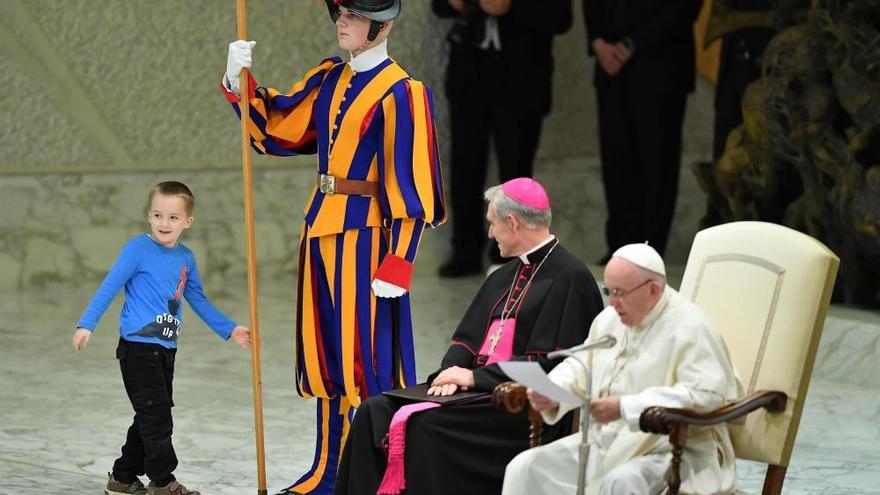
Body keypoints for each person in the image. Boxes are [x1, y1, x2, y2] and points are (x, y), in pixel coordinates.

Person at [221, 1, 446, 493]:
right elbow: (278, 131)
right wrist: (239, 82)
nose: (341, 20)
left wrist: (400, 262)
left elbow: (414, 186)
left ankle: (372, 474)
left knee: (367, 360)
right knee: (326, 357)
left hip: (368, 239)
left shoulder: (404, 92)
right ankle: (327, 471)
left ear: (383, 25)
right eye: (340, 11)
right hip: (320, 229)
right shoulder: (330, 78)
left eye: (355, 14)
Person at [334, 178, 605, 495]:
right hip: (475, 393)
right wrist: (450, 373)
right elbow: (465, 340)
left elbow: (550, 369)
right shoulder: (504, 274)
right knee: (373, 410)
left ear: (512, 222)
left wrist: (474, 378)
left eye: (492, 224)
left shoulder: (572, 279)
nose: (489, 234)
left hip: (518, 407)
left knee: (423, 426)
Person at [502, 243, 740, 495]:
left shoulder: (691, 327)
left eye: (620, 292)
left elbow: (707, 396)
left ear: (653, 290)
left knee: (622, 481)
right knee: (525, 467)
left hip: (670, 449)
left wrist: (625, 407)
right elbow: (581, 365)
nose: (613, 303)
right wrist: (552, 390)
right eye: (609, 291)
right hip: (607, 442)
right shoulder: (609, 320)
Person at [73, 181, 251, 495]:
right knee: (157, 418)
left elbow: (198, 299)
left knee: (150, 413)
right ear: (148, 216)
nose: (163, 223)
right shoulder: (137, 249)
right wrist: (87, 323)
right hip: (138, 349)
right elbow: (109, 286)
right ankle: (163, 482)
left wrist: (230, 328)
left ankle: (123, 477)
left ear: (187, 221)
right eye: (157, 215)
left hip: (166, 349)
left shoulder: (186, 258)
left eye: (172, 217)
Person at [433, 0, 573, 277]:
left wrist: (511, 7)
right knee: (465, 165)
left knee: (517, 168)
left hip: (521, 77)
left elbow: (560, 19)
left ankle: (514, 250)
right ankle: (465, 250)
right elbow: (440, 7)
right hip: (470, 75)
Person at [586, 0, 703, 262]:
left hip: (661, 66)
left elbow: (684, 7)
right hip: (611, 69)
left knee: (657, 163)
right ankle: (620, 248)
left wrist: (632, 44)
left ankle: (649, 252)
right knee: (616, 162)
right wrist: (597, 41)